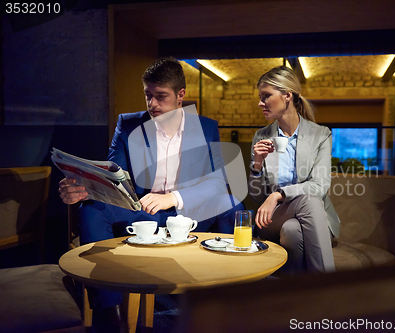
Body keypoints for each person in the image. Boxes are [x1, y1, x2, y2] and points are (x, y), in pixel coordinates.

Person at [59, 57, 243, 325]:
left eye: (160, 96)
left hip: (186, 211)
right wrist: (84, 189)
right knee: (92, 209)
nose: (152, 104)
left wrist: (173, 198)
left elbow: (216, 183)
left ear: (181, 95)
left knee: (231, 204)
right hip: (142, 211)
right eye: (148, 95)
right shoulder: (129, 124)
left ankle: (228, 297)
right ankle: (112, 311)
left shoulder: (205, 127)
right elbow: (115, 175)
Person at [248, 66, 340, 274]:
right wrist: (257, 165)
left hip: (309, 218)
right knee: (307, 201)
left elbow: (320, 186)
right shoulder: (262, 136)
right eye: (260, 97)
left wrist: (278, 195)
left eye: (266, 96)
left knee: (293, 231)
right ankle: (330, 289)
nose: (260, 103)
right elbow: (255, 197)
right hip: (273, 218)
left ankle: (296, 296)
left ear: (287, 95)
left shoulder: (321, 135)